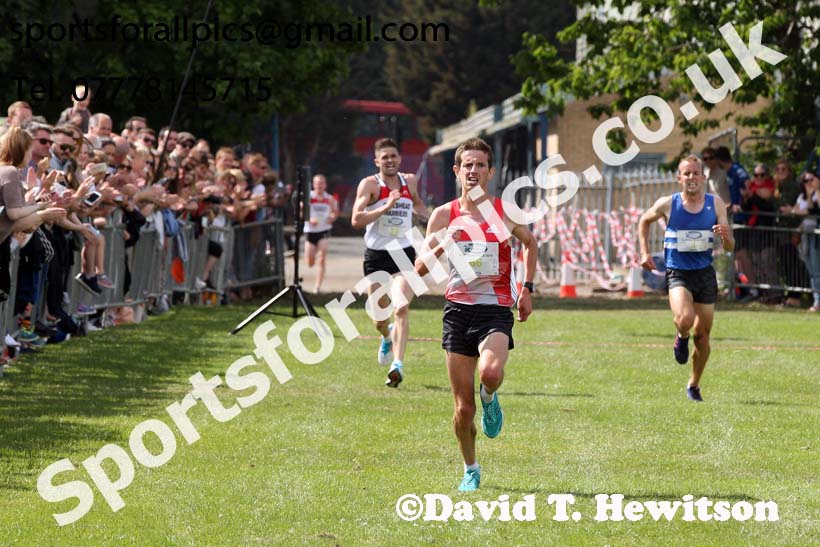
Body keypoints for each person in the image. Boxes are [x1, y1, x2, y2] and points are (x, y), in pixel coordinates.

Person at [415, 137, 537, 491]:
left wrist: (527, 288)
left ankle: (490, 396)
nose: (473, 171)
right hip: (457, 312)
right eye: (467, 165)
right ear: (456, 171)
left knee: (493, 372)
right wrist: (444, 239)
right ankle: (471, 468)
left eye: (479, 165)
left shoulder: (504, 211)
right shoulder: (444, 215)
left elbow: (529, 243)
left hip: (495, 309)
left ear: (490, 172)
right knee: (462, 410)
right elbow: (421, 268)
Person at [639, 155, 734, 402]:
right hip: (678, 271)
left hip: (704, 274)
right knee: (684, 318)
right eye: (687, 173)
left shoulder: (717, 205)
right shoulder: (668, 204)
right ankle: (681, 337)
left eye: (696, 173)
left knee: (702, 338)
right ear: (679, 178)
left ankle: (694, 384)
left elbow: (730, 247)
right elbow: (644, 221)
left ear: (703, 178)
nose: (692, 177)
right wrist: (645, 252)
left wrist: (725, 236)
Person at [351, 138, 428, 387]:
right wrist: (386, 206)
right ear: (377, 161)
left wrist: (431, 218)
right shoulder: (370, 185)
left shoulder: (411, 181)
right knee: (380, 316)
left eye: (393, 156)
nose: (390, 160)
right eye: (385, 157)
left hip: (404, 253)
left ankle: (398, 365)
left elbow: (418, 204)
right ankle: (386, 335)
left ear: (400, 158)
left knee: (402, 307)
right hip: (376, 256)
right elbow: (356, 219)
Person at [303, 173, 338, 294]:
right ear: (313, 185)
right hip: (310, 231)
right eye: (317, 183)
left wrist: (331, 218)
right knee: (310, 262)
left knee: (322, 258)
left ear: (325, 185)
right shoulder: (308, 197)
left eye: (321, 183)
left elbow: (335, 212)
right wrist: (309, 219)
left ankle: (317, 287)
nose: (319, 186)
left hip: (324, 230)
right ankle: (310, 258)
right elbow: (301, 212)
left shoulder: (329, 198)